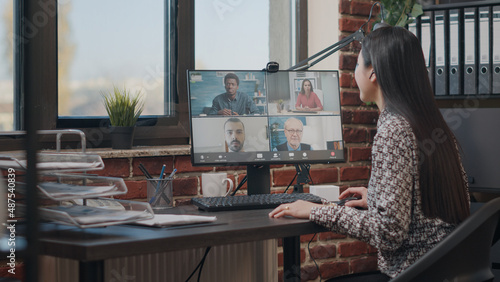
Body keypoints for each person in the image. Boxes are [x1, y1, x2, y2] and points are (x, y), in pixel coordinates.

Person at [269, 26, 470, 281]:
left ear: (373, 72)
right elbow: (426, 203)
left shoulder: (393, 130)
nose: (354, 74)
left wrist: (315, 211)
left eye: (357, 65)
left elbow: (388, 233)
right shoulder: (432, 124)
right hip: (446, 269)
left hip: (413, 272)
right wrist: (376, 197)